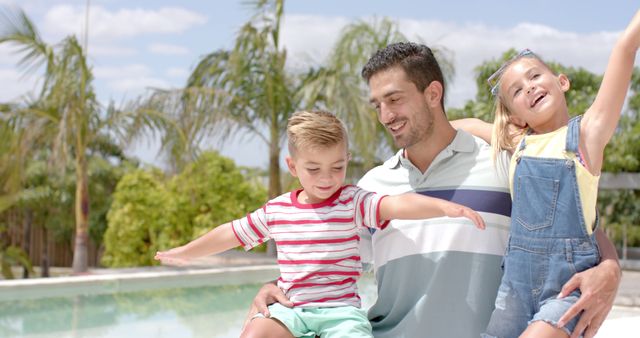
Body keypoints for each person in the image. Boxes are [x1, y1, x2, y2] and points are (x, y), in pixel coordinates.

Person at [245, 42, 622, 338]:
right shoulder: (371, 188)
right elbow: (322, 255)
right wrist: (275, 288)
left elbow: (568, 219)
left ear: (432, 93)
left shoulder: (501, 161)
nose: (385, 116)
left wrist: (609, 267)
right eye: (377, 104)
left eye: (394, 99)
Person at [155, 109, 487, 338]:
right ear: (293, 165)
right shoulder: (277, 210)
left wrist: (445, 207)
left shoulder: (353, 201)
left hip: (341, 313)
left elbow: (397, 204)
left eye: (338, 167)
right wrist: (188, 251)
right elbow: (231, 231)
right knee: (255, 331)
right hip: (291, 309)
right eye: (314, 169)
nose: (327, 179)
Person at [449, 10, 640, 338]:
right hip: (513, 293)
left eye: (535, 76)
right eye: (516, 92)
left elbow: (625, 48)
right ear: (516, 116)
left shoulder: (586, 136)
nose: (529, 88)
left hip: (567, 290)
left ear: (561, 81)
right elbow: (460, 126)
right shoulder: (518, 143)